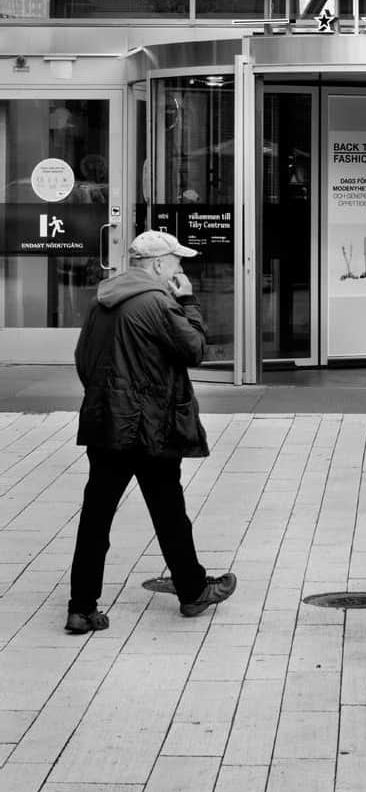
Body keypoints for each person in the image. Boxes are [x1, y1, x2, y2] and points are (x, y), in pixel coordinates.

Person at [65, 230, 236, 633]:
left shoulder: (104, 299)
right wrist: (189, 301)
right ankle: (193, 593)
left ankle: (81, 606)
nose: (180, 268)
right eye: (177, 261)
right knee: (169, 510)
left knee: (96, 516)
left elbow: (83, 360)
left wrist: (106, 398)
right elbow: (194, 348)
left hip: (107, 422)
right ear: (158, 265)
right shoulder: (158, 302)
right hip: (150, 426)